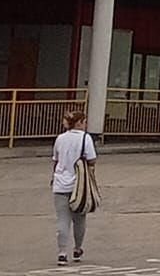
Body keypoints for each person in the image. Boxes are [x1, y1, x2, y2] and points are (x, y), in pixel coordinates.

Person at [51, 110, 97, 265]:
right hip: (80, 185)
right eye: (84, 122)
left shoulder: (60, 138)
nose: (85, 125)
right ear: (78, 123)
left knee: (62, 220)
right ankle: (77, 249)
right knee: (80, 219)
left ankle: (62, 252)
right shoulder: (86, 138)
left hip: (60, 184)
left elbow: (55, 160)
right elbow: (91, 160)